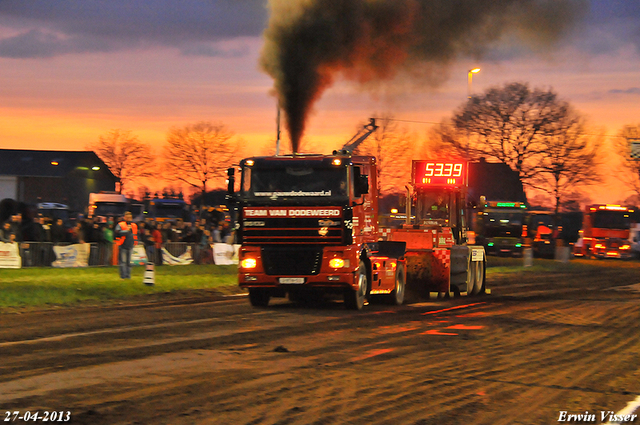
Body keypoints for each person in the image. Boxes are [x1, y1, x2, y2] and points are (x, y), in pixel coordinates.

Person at [115, 211, 138, 279]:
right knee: (123, 262)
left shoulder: (134, 225)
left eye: (130, 217)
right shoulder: (120, 224)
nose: (129, 218)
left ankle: (128, 276)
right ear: (124, 217)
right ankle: (123, 276)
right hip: (123, 245)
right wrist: (126, 231)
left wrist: (136, 242)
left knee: (129, 262)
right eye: (127, 217)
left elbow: (135, 234)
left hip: (130, 245)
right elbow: (117, 232)